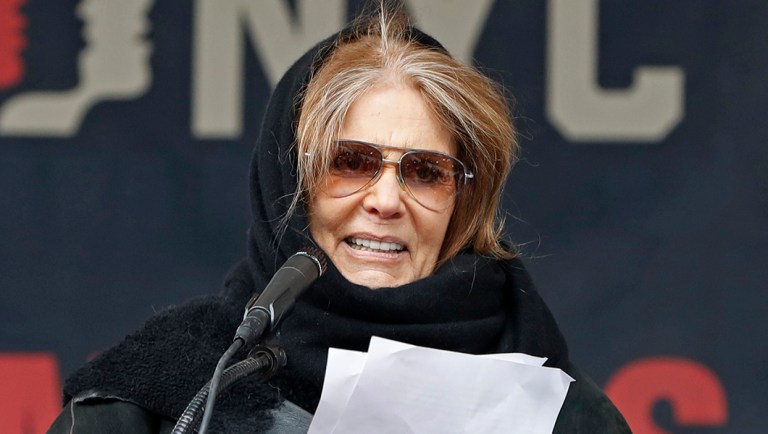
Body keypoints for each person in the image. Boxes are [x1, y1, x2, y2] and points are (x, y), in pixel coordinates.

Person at [48, 3, 631, 433]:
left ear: (464, 203)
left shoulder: (559, 414)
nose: (385, 200)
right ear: (289, 185)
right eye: (349, 163)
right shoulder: (157, 400)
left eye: (425, 172)